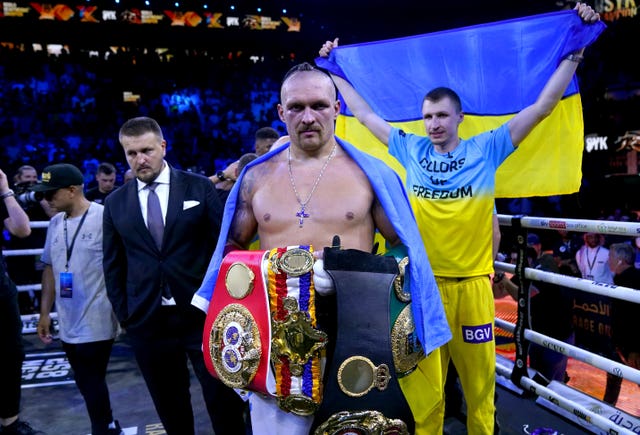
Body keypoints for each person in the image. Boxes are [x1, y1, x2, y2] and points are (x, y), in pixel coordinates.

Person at [318, 4, 600, 433]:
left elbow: (543, 106)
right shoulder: (409, 149)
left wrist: (574, 53)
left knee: (480, 393)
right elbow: (368, 116)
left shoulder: (487, 149)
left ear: (459, 117)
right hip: (424, 290)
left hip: (472, 288)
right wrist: (335, 70)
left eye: (441, 115)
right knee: (427, 397)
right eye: (427, 115)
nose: (433, 123)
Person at [193, 62, 450, 435]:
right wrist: (266, 272)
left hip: (356, 329)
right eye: (296, 107)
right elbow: (230, 250)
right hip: (280, 332)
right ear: (281, 112)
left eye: (319, 105)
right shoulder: (255, 178)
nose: (308, 117)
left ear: (336, 108)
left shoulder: (370, 175)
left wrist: (347, 273)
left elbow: (405, 251)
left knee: (355, 427)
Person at [102, 116, 247, 435]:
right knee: (170, 407)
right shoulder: (114, 203)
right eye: (132, 153)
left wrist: (221, 305)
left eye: (147, 150)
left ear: (163, 147)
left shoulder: (197, 186)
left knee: (224, 403)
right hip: (148, 322)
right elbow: (113, 265)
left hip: (202, 316)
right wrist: (126, 315)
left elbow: (221, 248)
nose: (140, 159)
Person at [32, 163, 123, 435]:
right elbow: (49, 267)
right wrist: (45, 313)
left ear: (72, 190)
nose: (46, 199)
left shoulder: (104, 217)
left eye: (51, 193)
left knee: (89, 377)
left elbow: (120, 268)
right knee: (85, 379)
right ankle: (106, 424)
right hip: (68, 317)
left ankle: (102, 427)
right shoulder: (55, 222)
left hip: (98, 316)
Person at [0, 168, 43, 435]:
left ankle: (11, 423)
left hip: (0, 288)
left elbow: (22, 228)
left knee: (10, 354)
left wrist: (5, 189)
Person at [5, 165, 54, 314]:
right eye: (27, 177)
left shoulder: (42, 195)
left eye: (34, 177)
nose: (31, 181)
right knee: (19, 285)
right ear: (17, 179)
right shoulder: (8, 197)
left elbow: (53, 214)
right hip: (17, 248)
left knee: (43, 283)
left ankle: (47, 317)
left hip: (39, 248)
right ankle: (25, 317)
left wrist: (41, 195)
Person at [608, 243, 640, 371]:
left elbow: (636, 318)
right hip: (622, 344)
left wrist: (635, 349)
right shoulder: (621, 279)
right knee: (613, 375)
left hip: (632, 348)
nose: (608, 260)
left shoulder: (632, 281)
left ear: (620, 260)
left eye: (611, 257)